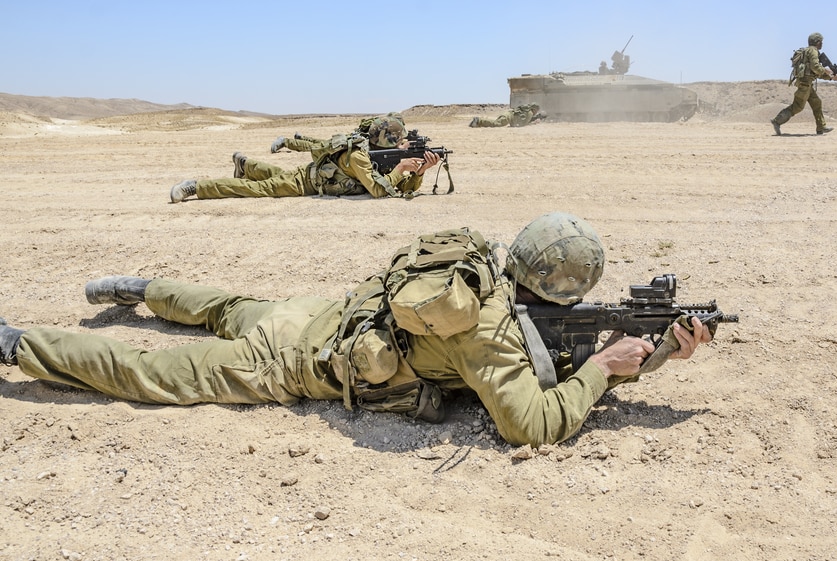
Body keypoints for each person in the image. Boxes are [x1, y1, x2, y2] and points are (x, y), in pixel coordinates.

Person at [0, 213, 712, 447]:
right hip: (293, 361)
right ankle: (16, 343)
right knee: (150, 375)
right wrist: (608, 369)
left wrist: (649, 355)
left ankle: (142, 288)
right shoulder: (488, 330)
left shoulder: (481, 274)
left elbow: (557, 350)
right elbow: (532, 423)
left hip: (320, 311)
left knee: (228, 304)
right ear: (567, 285)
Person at [168, 132, 440, 202]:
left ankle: (245, 164)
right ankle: (197, 187)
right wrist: (403, 165)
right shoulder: (360, 156)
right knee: (256, 190)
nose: (403, 146)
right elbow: (380, 191)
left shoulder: (376, 156)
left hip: (308, 176)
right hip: (305, 184)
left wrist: (418, 172)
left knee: (274, 176)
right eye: (400, 143)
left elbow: (394, 186)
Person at [770, 32, 837, 136]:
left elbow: (814, 72)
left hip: (807, 83)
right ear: (817, 42)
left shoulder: (808, 51)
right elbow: (815, 67)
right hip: (805, 84)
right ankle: (777, 121)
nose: (822, 43)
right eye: (821, 41)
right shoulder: (813, 51)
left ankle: (821, 127)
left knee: (817, 103)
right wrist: (827, 71)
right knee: (797, 107)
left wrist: (831, 77)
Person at [269, 113, 406, 154]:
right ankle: (285, 141)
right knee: (317, 147)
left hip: (356, 138)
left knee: (322, 142)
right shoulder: (388, 126)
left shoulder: (389, 125)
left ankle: (301, 138)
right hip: (355, 140)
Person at [469, 103, 546, 128]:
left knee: (496, 122)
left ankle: (477, 123)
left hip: (508, 114)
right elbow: (523, 124)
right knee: (497, 124)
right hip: (508, 117)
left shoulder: (527, 110)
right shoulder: (530, 113)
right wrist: (533, 123)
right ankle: (478, 120)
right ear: (535, 109)